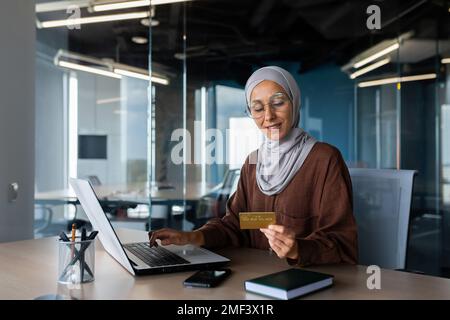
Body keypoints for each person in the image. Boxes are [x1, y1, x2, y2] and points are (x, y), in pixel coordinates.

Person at [149, 66, 358, 266]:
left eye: (278, 103)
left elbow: (342, 243)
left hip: (308, 280)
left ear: (294, 103)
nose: (268, 116)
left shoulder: (324, 159)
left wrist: (298, 249)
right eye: (257, 108)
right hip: (254, 277)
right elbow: (237, 224)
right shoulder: (253, 162)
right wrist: (192, 236)